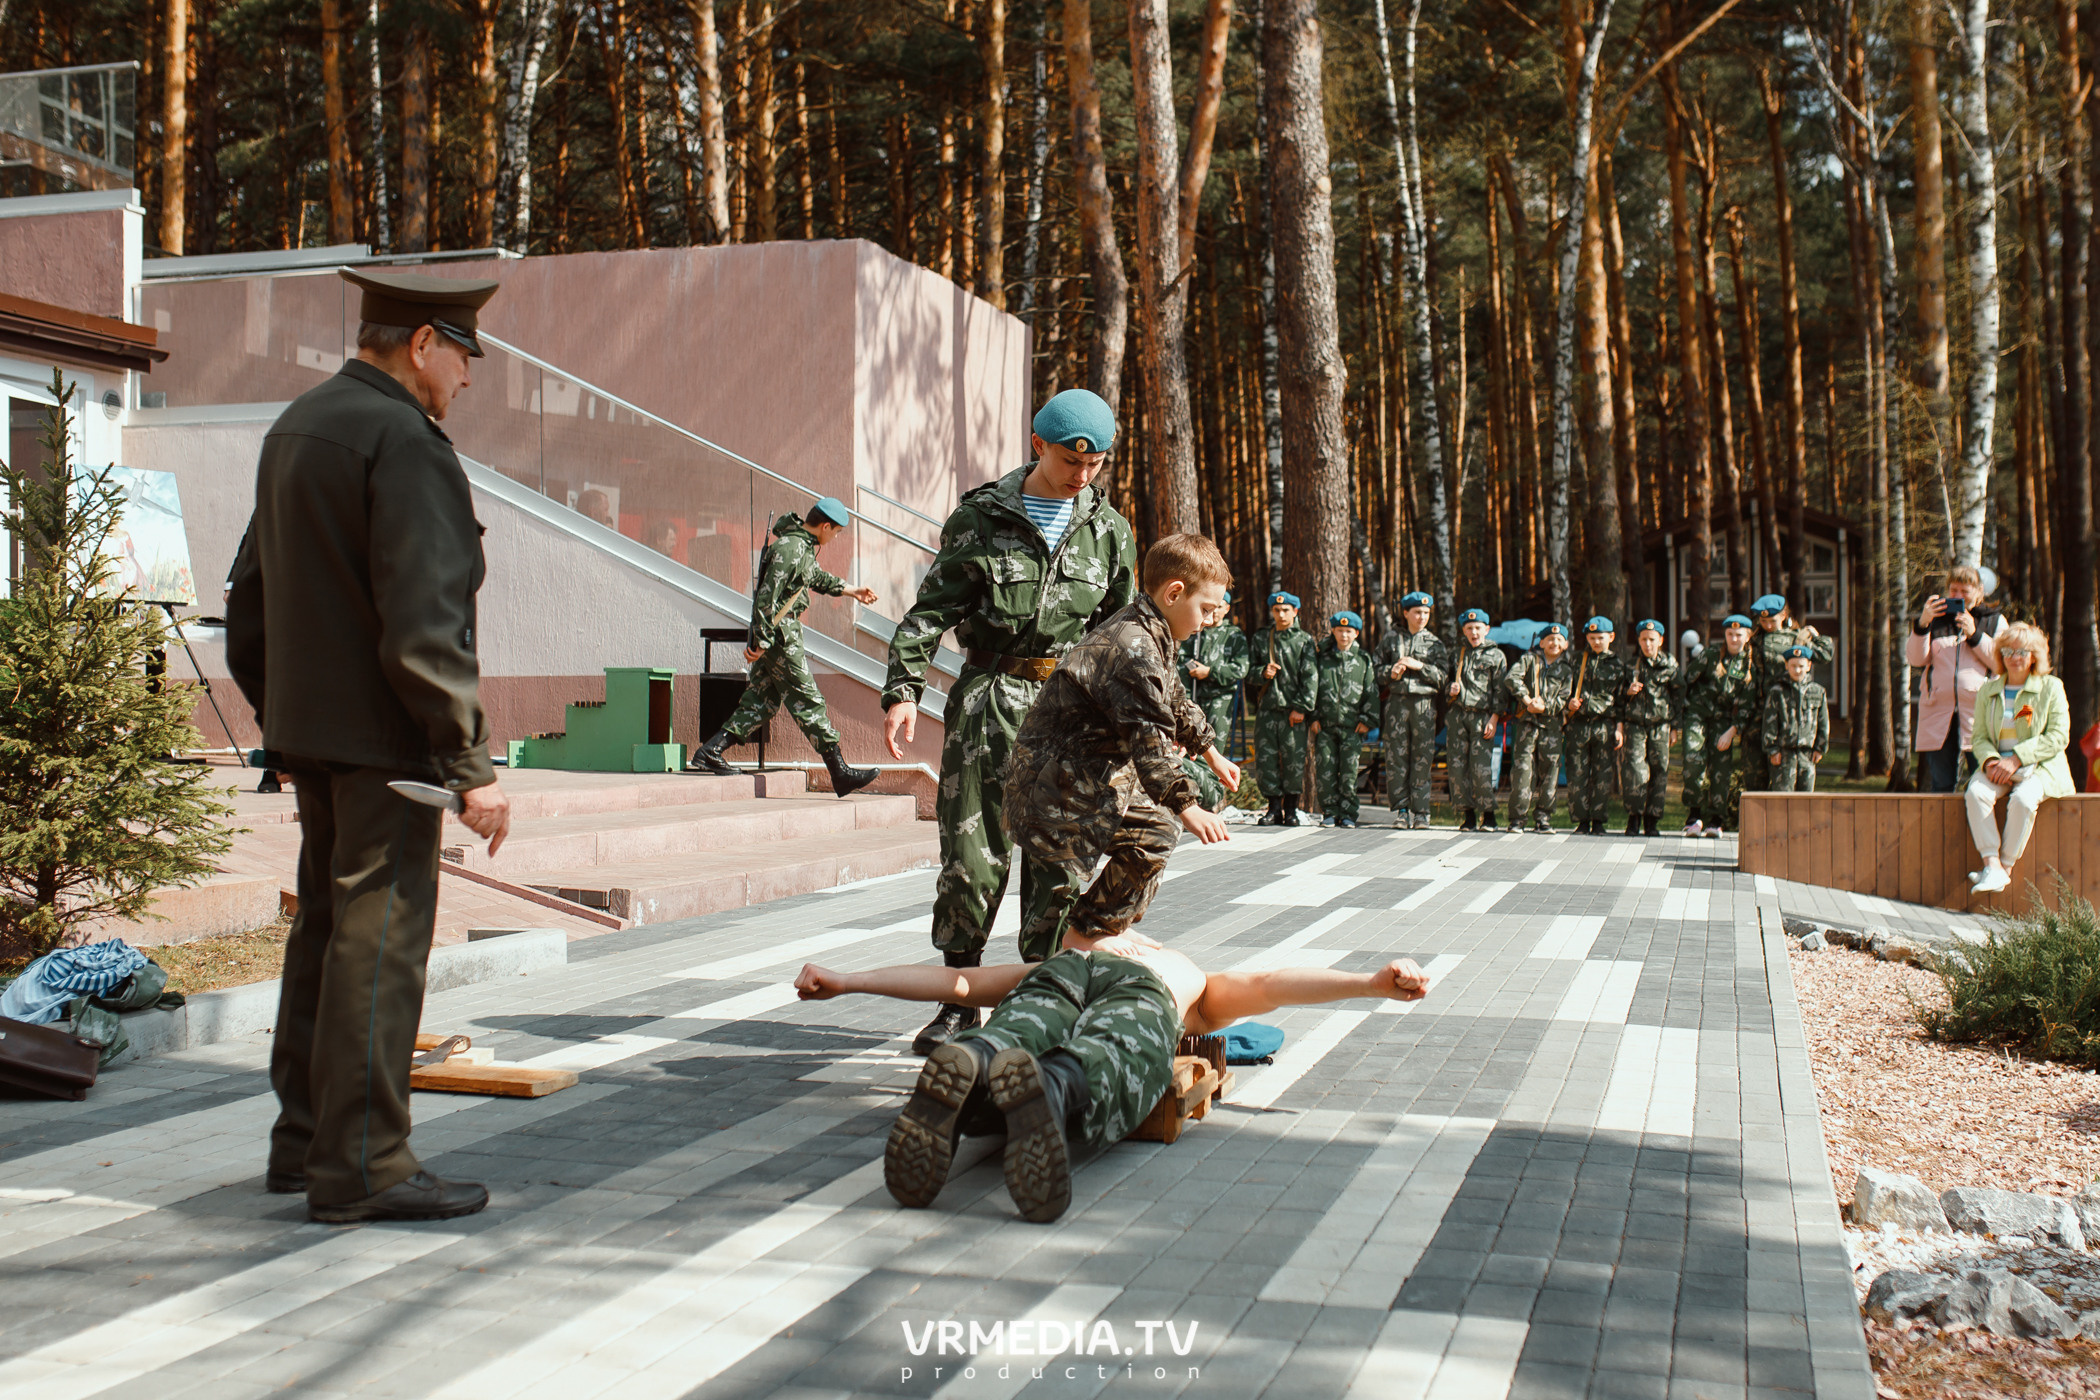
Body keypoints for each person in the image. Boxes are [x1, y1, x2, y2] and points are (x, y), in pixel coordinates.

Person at [225, 268, 512, 1224]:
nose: (468, 380)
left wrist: (286, 721)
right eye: (465, 356)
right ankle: (364, 1166)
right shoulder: (405, 442)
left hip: (315, 738)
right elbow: (425, 623)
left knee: (326, 930)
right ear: (424, 343)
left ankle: (302, 1143)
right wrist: (469, 762)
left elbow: (249, 602)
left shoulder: (298, 426)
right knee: (380, 945)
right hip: (390, 741)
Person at [795, 944, 1431, 1222]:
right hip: (1146, 994)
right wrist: (1367, 984)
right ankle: (1051, 1086)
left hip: (1058, 973)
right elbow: (1269, 987)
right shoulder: (1189, 979)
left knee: (1017, 1023)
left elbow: (961, 982)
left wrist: (849, 980)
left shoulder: (1084, 949)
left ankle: (974, 1066)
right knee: (1118, 1047)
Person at [881, 390, 1138, 1055]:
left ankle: (1038, 1003)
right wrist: (903, 690)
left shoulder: (1109, 531)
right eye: (1068, 461)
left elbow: (1126, 631)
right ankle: (956, 1002)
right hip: (990, 699)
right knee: (970, 859)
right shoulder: (982, 517)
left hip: (1070, 713)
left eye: (1095, 465)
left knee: (1058, 867)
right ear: (1037, 445)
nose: (1081, 476)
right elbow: (930, 612)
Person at [999, 533, 1240, 962]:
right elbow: (1149, 738)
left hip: (1082, 781)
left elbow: (1174, 699)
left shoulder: (1152, 631)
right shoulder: (1133, 646)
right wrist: (1189, 807)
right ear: (1174, 593)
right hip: (1055, 790)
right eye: (1205, 608)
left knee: (1156, 832)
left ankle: (1099, 929)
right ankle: (1076, 946)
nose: (1208, 619)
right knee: (1051, 916)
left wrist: (1211, 753)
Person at [688, 497, 883, 796]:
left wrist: (852, 591)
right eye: (836, 532)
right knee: (808, 699)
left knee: (761, 700)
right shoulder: (791, 548)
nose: (834, 538)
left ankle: (710, 752)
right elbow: (767, 597)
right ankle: (840, 772)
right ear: (826, 526)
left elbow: (814, 577)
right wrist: (764, 641)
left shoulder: (800, 547)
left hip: (779, 633)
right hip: (781, 634)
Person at [1965, 623, 2074, 893]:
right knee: (1976, 792)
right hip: (1998, 768)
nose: (2015, 657)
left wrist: (2016, 758)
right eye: (2009, 651)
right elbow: (1978, 737)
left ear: (2034, 656)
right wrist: (1990, 762)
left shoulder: (2051, 687)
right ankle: (1991, 864)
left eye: (2022, 651)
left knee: (2023, 800)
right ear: (2001, 655)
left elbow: (2059, 736)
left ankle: (2004, 867)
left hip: (2040, 767)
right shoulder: (1987, 691)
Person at [1906, 565, 2004, 793]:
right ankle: (1944, 829)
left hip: (1980, 714)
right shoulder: (1936, 620)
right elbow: (1915, 658)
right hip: (1939, 712)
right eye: (1953, 590)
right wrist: (1923, 624)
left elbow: (2000, 663)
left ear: (1980, 592)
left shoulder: (1994, 620)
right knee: (1941, 785)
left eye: (1965, 591)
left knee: (1984, 784)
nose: (1958, 596)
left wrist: (1975, 634)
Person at [1371, 590, 1449, 829]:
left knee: (1422, 758)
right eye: (1417, 612)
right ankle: (1401, 811)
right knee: (1396, 758)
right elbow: (1374, 670)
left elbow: (1443, 677)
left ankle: (1421, 812)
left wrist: (1419, 666)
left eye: (1426, 613)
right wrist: (1389, 673)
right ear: (1406, 613)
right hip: (1397, 704)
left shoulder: (1435, 643)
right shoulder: (1391, 640)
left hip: (1424, 706)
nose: (1422, 617)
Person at [1744, 594, 1833, 791]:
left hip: (1789, 720)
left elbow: (1826, 654)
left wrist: (1812, 636)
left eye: (1772, 620)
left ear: (1784, 615)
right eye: (1763, 620)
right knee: (1755, 781)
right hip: (1760, 718)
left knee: (1787, 785)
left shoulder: (1796, 639)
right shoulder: (1754, 641)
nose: (1767, 625)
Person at [1679, 615, 1756, 838]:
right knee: (1693, 762)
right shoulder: (1711, 655)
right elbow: (1688, 680)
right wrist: (1684, 711)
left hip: (1724, 723)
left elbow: (1747, 704)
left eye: (1739, 634)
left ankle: (1715, 820)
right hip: (1698, 716)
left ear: (1747, 636)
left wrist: (1732, 732)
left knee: (1721, 771)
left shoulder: (1750, 664)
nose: (1734, 638)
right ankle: (1694, 816)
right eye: (1730, 634)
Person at [1247, 591, 1319, 826]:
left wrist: (1301, 708)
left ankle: (1291, 810)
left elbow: (1310, 677)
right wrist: (1261, 673)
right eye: (1277, 610)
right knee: (1266, 761)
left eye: (1286, 610)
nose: (1281, 614)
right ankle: (1273, 809)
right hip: (1268, 710)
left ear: (1295, 612)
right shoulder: (1261, 639)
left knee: (1293, 761)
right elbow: (1247, 672)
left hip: (1292, 713)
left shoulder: (1304, 640)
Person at [1505, 622, 1574, 832]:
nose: (1554, 643)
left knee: (1550, 772)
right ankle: (1518, 818)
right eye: (1550, 639)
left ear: (1565, 645)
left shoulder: (1565, 670)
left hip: (1551, 727)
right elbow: (1511, 678)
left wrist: (1543, 707)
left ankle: (1543, 817)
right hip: (1527, 724)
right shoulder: (1528, 660)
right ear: (1541, 642)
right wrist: (1528, 702)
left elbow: (1564, 697)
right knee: (1522, 771)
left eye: (1559, 640)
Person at [1311, 611, 1378, 828]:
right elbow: (1312, 689)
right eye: (1340, 631)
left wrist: (1367, 719)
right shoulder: (1323, 659)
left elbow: (1371, 691)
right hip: (1326, 725)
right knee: (1326, 770)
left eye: (1349, 631)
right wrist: (1313, 716)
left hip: (1352, 727)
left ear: (1356, 633)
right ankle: (1329, 812)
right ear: (1333, 631)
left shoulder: (1363, 660)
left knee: (1349, 772)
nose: (1344, 635)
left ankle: (1348, 813)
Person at [1564, 617, 1630, 836]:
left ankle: (1599, 821)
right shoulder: (1576, 661)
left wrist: (1619, 729)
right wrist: (1568, 704)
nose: (1596, 642)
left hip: (1604, 725)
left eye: (1600, 638)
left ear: (1611, 637)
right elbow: (1564, 690)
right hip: (1578, 725)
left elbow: (1621, 701)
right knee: (1577, 774)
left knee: (1602, 776)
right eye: (1592, 638)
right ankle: (1581, 821)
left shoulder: (1618, 665)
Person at [1446, 608, 1509, 832]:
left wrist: (1494, 718)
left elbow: (1500, 691)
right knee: (1457, 768)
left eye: (1478, 628)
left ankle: (1489, 816)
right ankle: (1468, 815)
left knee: (1481, 768)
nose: (1474, 632)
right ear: (1463, 630)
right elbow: (1444, 685)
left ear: (1487, 629)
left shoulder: (1496, 655)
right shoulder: (1457, 654)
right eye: (1469, 628)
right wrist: (1450, 690)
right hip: (1457, 716)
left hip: (1483, 717)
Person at [1618, 619, 1679, 837]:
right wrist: (1628, 691)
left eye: (1652, 639)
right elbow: (1618, 698)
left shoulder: (1670, 665)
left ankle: (1652, 820)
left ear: (1660, 640)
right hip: (1635, 726)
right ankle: (1634, 817)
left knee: (1659, 771)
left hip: (1661, 726)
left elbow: (1678, 696)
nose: (1648, 644)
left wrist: (1675, 727)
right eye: (1643, 639)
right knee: (1634, 771)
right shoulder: (1631, 665)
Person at [1180, 589, 1249, 747]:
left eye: (1219, 607)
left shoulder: (1234, 635)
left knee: (1214, 747)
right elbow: (1182, 662)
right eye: (1211, 607)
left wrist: (1210, 672)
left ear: (1227, 609)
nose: (1215, 612)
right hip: (1194, 697)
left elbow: (1241, 668)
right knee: (1190, 746)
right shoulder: (1196, 632)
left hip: (1221, 699)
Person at [1762, 645, 1830, 792]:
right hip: (1784, 755)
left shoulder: (1817, 691)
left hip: (1808, 755)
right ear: (1786, 665)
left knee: (1806, 800)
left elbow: (1823, 722)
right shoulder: (1777, 692)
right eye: (1793, 666)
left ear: (1808, 666)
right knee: (1782, 798)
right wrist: (1772, 749)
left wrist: (1820, 748)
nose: (1797, 670)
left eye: (1801, 666)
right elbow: (1770, 722)